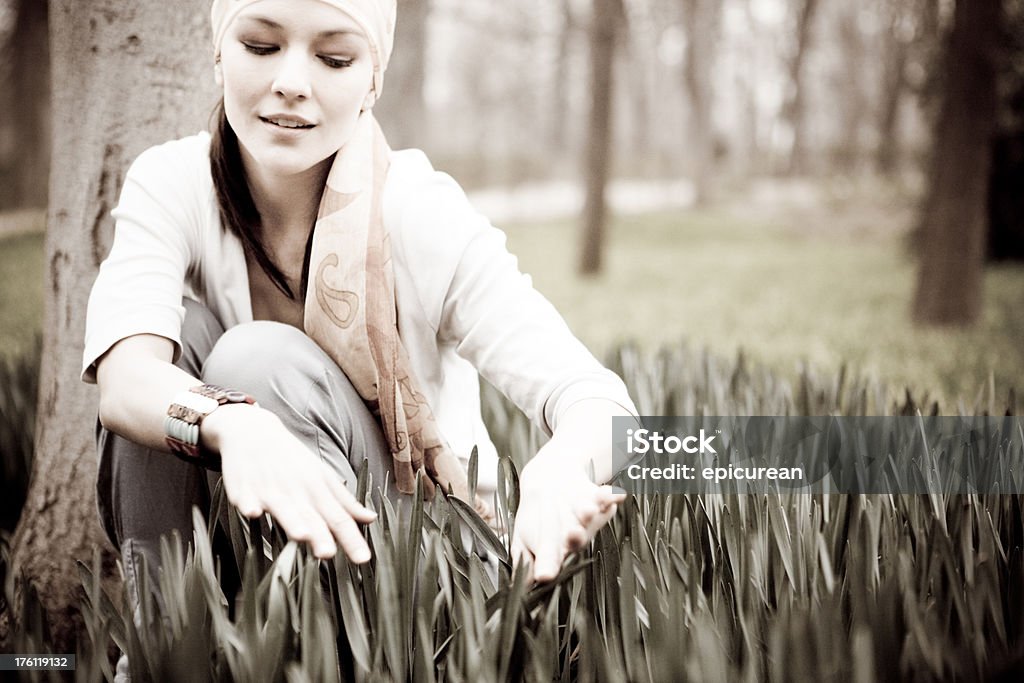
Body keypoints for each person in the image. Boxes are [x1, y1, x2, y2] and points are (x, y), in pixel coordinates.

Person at [84, 0, 638, 637]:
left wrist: (563, 466)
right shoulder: (171, 183)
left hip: (422, 564)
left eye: (334, 57)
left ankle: (331, 647)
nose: (292, 81)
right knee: (173, 347)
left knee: (255, 359)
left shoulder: (418, 210)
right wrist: (234, 423)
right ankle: (167, 647)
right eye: (261, 47)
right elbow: (125, 381)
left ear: (372, 77)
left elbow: (597, 398)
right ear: (218, 51)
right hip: (234, 534)